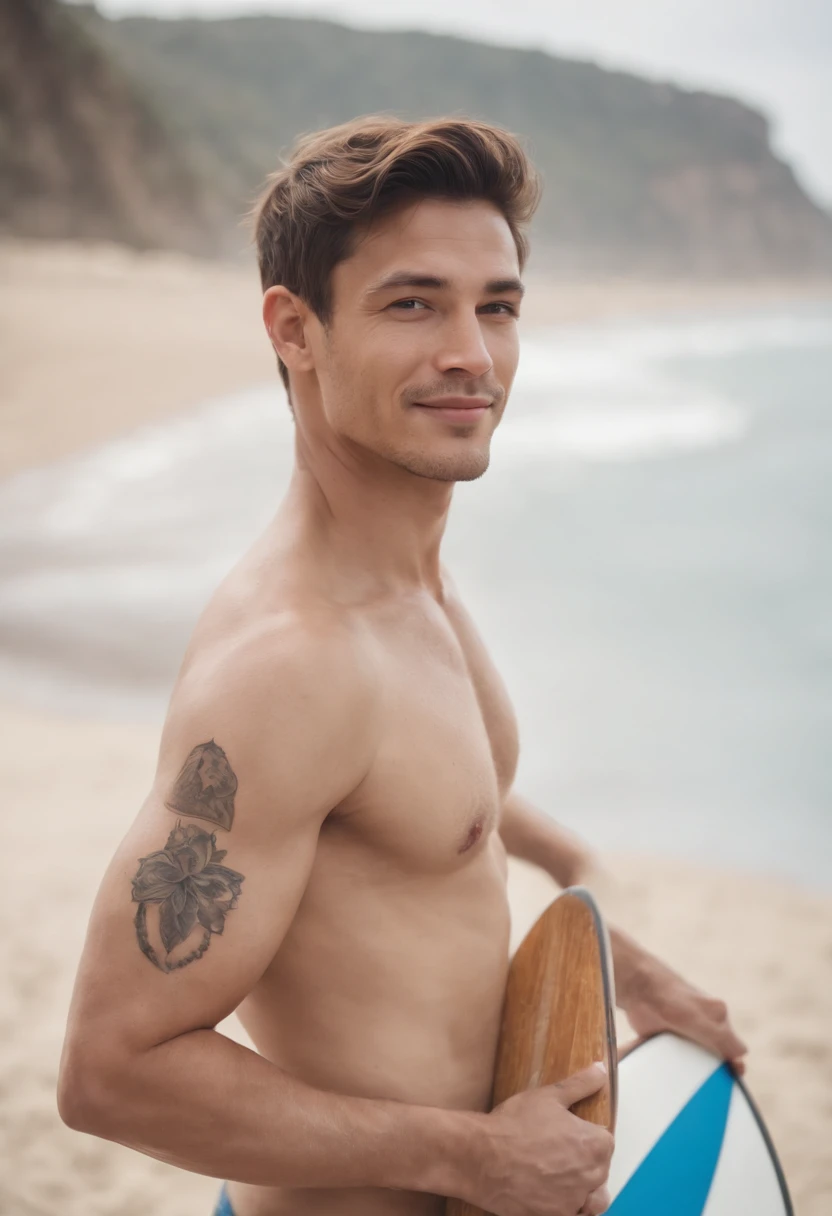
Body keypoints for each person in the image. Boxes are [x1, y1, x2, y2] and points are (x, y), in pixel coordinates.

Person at [58, 116, 747, 1216]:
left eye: (498, 306)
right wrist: (473, 1157)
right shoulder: (290, 667)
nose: (471, 353)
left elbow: (436, 804)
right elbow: (111, 1072)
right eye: (412, 303)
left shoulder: (411, 584)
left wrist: (615, 965)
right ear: (295, 329)